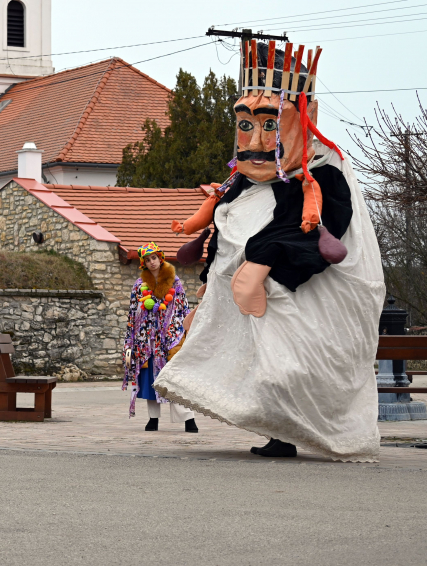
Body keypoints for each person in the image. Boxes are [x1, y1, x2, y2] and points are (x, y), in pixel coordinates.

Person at [157, 42, 384, 461]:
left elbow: (321, 232)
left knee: (289, 369)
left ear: (304, 121)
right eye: (246, 125)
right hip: (257, 309)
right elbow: (226, 233)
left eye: (271, 126)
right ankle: (279, 434)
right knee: (266, 369)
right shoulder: (245, 182)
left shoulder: (324, 177)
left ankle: (302, 431)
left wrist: (264, 258)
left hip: (304, 302)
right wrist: (213, 281)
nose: (257, 142)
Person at [122, 242, 197, 432]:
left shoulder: (175, 282)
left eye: (154, 258)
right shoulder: (139, 286)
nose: (151, 262)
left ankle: (189, 420)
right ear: (143, 264)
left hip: (170, 338)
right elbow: (132, 313)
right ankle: (153, 419)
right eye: (147, 260)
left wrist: (185, 332)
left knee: (175, 378)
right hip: (147, 341)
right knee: (150, 380)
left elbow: (183, 308)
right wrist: (130, 340)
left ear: (160, 258)